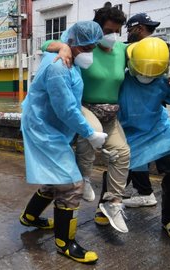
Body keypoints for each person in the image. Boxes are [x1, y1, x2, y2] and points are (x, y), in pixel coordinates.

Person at [18, 21, 104, 264]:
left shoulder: (69, 54)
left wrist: (63, 46)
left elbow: (49, 44)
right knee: (71, 184)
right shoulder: (59, 66)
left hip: (49, 126)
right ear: (74, 43)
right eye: (87, 47)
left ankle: (30, 218)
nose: (90, 53)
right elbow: (66, 109)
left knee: (54, 180)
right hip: (43, 129)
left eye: (93, 47)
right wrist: (90, 133)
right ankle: (65, 243)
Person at [41, 5, 129, 233]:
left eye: (117, 31)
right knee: (92, 131)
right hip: (87, 106)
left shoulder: (121, 50)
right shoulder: (83, 46)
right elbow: (45, 45)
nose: (112, 36)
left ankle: (113, 202)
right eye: (108, 30)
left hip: (112, 111)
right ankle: (85, 178)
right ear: (97, 28)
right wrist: (63, 47)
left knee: (122, 153)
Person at [118, 37, 170, 243]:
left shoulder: (164, 81)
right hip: (129, 131)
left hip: (157, 131)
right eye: (143, 71)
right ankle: (107, 204)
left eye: (152, 73)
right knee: (118, 169)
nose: (147, 76)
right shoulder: (120, 80)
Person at [120, 13, 162, 208]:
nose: (151, 35)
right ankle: (144, 191)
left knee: (133, 154)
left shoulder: (158, 52)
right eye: (147, 29)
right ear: (136, 30)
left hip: (149, 114)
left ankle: (116, 197)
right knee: (135, 154)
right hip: (129, 112)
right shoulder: (123, 52)